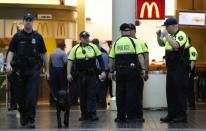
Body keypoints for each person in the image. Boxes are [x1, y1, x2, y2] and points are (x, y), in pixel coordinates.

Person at [6, 13, 49, 128]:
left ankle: (31, 120)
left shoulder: (38, 37)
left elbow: (44, 54)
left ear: (33, 22)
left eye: (30, 20)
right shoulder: (17, 36)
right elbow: (10, 51)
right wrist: (8, 64)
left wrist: (47, 70)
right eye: (26, 20)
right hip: (20, 71)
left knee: (31, 96)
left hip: (33, 70)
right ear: (23, 21)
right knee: (20, 97)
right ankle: (24, 117)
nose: (28, 22)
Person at [109, 23, 145, 122]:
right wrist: (143, 69)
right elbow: (141, 57)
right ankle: (131, 116)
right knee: (131, 94)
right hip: (132, 71)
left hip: (120, 71)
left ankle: (120, 116)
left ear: (121, 31)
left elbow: (111, 59)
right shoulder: (134, 42)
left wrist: (111, 71)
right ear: (129, 31)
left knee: (120, 94)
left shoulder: (116, 43)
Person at [67, 31, 106, 121]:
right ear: (80, 38)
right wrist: (68, 74)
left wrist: (103, 71)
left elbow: (100, 60)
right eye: (84, 37)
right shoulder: (75, 48)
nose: (86, 39)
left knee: (92, 95)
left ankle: (92, 114)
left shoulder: (94, 47)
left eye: (87, 37)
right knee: (82, 95)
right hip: (80, 76)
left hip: (92, 76)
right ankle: (84, 114)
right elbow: (70, 61)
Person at [156, 18, 189, 123]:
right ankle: (171, 114)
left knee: (179, 93)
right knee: (170, 93)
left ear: (173, 26)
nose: (165, 28)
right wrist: (158, 36)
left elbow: (176, 46)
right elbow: (161, 43)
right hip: (171, 69)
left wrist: (165, 36)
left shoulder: (181, 35)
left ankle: (181, 116)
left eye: (166, 26)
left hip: (180, 69)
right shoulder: (170, 36)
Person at [128, 23, 149, 121]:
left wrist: (145, 71)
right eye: (128, 30)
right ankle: (130, 115)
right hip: (127, 73)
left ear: (134, 31)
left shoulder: (140, 42)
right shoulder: (124, 42)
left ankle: (138, 115)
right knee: (128, 95)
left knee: (137, 95)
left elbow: (146, 57)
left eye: (131, 30)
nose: (129, 32)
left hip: (138, 72)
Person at [92, 38, 109, 109]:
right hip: (104, 71)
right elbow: (107, 64)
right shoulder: (105, 53)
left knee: (96, 88)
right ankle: (102, 103)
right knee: (103, 89)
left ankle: (98, 103)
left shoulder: (93, 54)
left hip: (97, 72)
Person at [49, 40, 68, 105]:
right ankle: (62, 101)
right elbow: (66, 63)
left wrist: (50, 72)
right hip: (61, 71)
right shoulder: (63, 53)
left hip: (53, 71)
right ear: (62, 46)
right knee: (62, 87)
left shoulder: (52, 53)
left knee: (54, 87)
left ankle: (55, 101)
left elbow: (50, 64)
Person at [184, 37, 198, 110]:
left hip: (189, 71)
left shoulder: (192, 49)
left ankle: (192, 105)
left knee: (190, 87)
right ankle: (186, 104)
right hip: (185, 71)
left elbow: (193, 61)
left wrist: (189, 72)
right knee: (185, 88)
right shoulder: (185, 49)